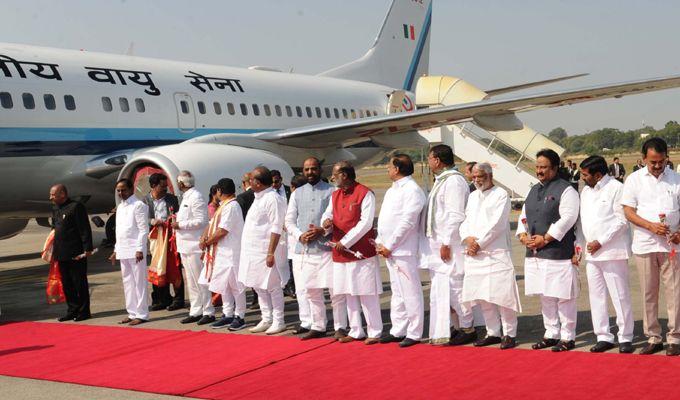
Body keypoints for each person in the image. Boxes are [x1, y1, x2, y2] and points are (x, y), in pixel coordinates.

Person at [622, 137, 680, 356]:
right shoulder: (634, 180)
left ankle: (675, 337)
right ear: (643, 158)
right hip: (645, 245)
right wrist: (650, 226)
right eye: (653, 162)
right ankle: (653, 336)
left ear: (667, 158)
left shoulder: (676, 179)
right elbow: (628, 211)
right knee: (649, 293)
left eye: (661, 161)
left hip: (672, 247)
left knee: (675, 293)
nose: (657, 166)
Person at [517, 148, 580, 352]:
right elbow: (523, 216)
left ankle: (568, 336)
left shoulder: (566, 189)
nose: (539, 171)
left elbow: (568, 218)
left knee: (563, 296)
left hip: (557, 252)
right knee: (546, 295)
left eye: (543, 167)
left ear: (554, 167)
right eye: (537, 167)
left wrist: (545, 238)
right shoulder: (533, 189)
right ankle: (551, 332)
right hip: (536, 252)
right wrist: (523, 236)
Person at [320, 161, 383, 344]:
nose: (332, 177)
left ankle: (375, 331)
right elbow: (327, 215)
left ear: (344, 175)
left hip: (361, 252)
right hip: (340, 253)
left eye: (334, 174)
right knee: (348, 292)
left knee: (366, 292)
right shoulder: (335, 195)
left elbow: (366, 223)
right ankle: (356, 330)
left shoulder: (365, 193)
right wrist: (326, 223)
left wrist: (345, 241)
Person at [286, 157, 349, 340]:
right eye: (306, 169)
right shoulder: (297, 193)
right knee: (311, 290)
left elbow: (338, 218)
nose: (310, 172)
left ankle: (340, 326)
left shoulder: (332, 191)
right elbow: (289, 221)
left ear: (320, 170)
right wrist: (300, 235)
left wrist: (324, 230)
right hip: (305, 250)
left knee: (335, 291)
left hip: (327, 249)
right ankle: (318, 326)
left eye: (313, 169)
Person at [576, 155, 634, 354]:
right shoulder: (585, 192)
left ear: (598, 174)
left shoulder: (617, 189)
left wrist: (601, 241)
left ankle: (625, 336)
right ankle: (603, 336)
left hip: (612, 251)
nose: (583, 178)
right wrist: (580, 246)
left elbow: (621, 221)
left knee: (620, 295)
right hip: (592, 254)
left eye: (585, 175)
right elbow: (583, 223)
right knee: (596, 296)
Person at [460, 163, 521, 350]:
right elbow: (465, 221)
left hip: (495, 253)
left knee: (503, 297)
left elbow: (498, 225)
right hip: (475, 254)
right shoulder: (472, 196)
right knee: (483, 297)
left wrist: (479, 244)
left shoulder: (501, 194)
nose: (477, 180)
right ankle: (493, 332)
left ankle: (509, 334)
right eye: (474, 177)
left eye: (480, 176)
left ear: (490, 175)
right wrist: (467, 239)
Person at [421, 144, 475, 346]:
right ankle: (455, 326)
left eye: (429, 158)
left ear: (437, 160)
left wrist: (445, 242)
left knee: (455, 287)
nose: (428, 162)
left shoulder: (453, 182)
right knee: (442, 288)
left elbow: (455, 215)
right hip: (439, 243)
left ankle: (468, 327)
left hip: (450, 242)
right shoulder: (443, 180)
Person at [376, 154, 426, 348]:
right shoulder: (393, 190)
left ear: (397, 169)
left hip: (403, 250)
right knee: (397, 292)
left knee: (410, 292)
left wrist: (390, 245)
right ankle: (398, 329)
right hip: (389, 249)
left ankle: (414, 332)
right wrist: (381, 242)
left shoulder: (412, 190)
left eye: (389, 166)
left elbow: (407, 222)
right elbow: (386, 219)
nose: (387, 169)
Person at [239, 166, 290, 334]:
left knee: (273, 286)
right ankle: (266, 318)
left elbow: (276, 227)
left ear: (258, 183)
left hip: (267, 251)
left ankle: (278, 320)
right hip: (253, 252)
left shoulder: (273, 198)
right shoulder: (258, 197)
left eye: (251, 179)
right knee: (258, 286)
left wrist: (270, 252)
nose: (248, 182)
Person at [199, 178, 246, 331]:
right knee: (224, 285)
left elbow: (223, 231)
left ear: (219, 191)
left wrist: (207, 242)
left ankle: (240, 316)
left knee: (235, 285)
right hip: (221, 252)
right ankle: (228, 314)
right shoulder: (222, 206)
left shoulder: (232, 206)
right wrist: (203, 237)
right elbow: (212, 225)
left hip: (231, 252)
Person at [171, 170, 214, 325]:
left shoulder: (196, 197)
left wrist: (179, 224)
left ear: (182, 183)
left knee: (201, 280)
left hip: (195, 245)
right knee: (191, 281)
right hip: (185, 246)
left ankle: (208, 311)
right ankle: (196, 310)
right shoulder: (186, 197)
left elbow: (201, 221)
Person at [49, 184, 94, 322]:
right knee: (67, 283)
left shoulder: (76, 207)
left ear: (62, 194)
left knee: (79, 282)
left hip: (76, 252)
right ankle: (72, 309)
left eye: (53, 194)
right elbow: (54, 229)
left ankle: (84, 311)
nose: (50, 197)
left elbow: (84, 229)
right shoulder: (55, 208)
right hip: (61, 252)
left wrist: (87, 249)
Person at [109, 178, 150, 325]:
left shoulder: (138, 205)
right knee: (128, 282)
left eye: (123, 190)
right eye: (118, 190)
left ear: (131, 189)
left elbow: (143, 229)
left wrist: (140, 248)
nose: (121, 193)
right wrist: (116, 250)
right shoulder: (120, 207)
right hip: (123, 249)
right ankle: (132, 312)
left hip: (135, 249)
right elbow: (119, 231)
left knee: (139, 283)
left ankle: (142, 314)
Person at [143, 173, 184, 311]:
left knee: (174, 267)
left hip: (171, 239)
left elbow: (178, 215)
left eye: (166, 186)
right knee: (158, 267)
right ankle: (161, 299)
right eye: (163, 186)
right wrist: (152, 221)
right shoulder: (144, 201)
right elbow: (142, 219)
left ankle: (178, 299)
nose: (166, 189)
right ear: (153, 186)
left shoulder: (172, 199)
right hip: (155, 239)